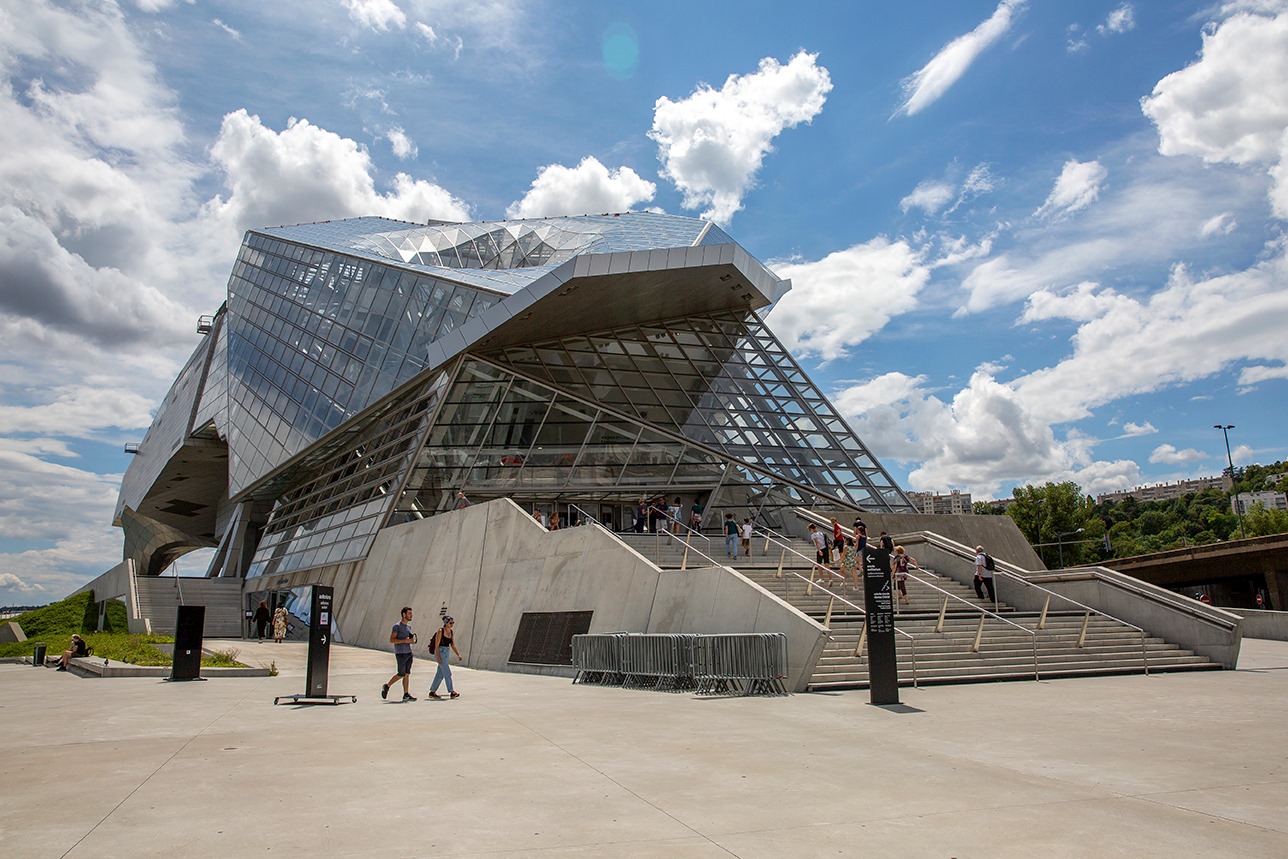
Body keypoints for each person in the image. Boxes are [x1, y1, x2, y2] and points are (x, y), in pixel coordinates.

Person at [381, 607, 417, 702]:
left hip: (409, 653)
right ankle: (387, 686)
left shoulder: (408, 627)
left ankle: (406, 694)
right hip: (400, 654)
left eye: (411, 613)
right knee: (401, 674)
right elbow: (392, 640)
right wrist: (405, 640)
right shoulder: (397, 626)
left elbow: (408, 639)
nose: (411, 615)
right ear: (404, 615)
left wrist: (411, 641)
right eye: (409, 613)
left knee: (407, 674)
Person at [428, 616, 462, 699]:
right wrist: (438, 657)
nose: (452, 624)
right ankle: (451, 691)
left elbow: (452, 644)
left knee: (440, 674)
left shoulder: (451, 632)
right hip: (440, 652)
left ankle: (432, 692)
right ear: (445, 623)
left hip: (446, 652)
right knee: (447, 672)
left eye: (453, 623)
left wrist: (458, 654)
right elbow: (436, 645)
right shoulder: (440, 631)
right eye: (450, 623)